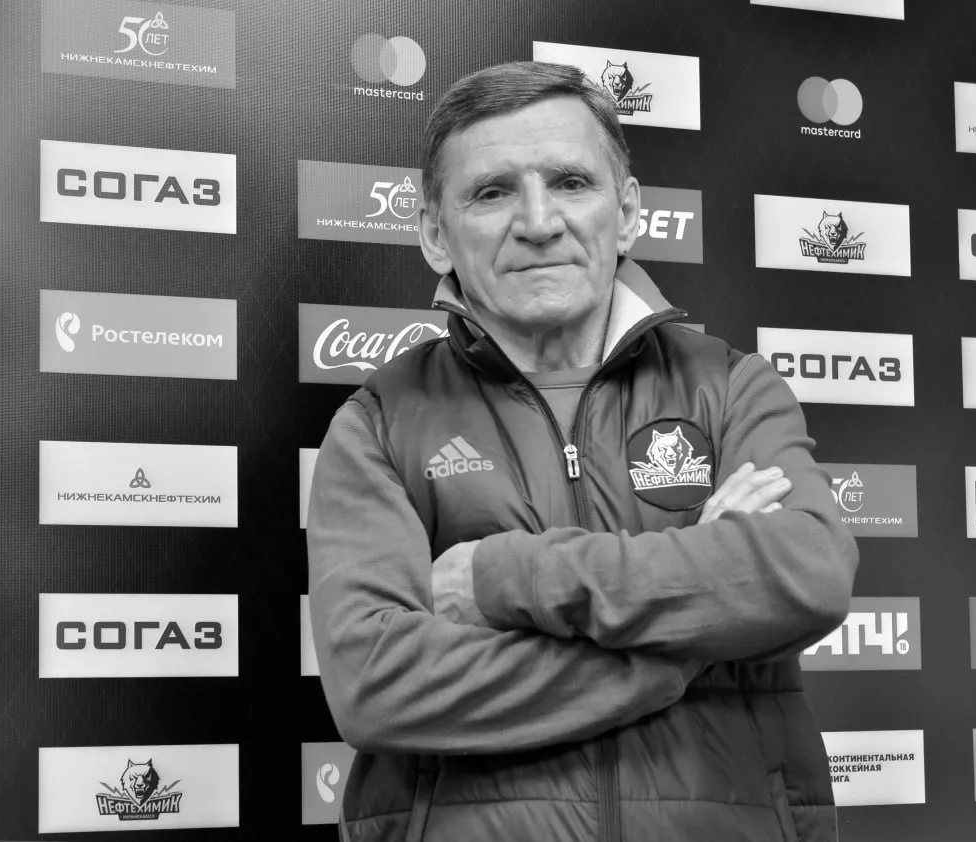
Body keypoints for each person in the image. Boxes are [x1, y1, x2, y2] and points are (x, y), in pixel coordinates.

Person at [307, 60, 859, 842]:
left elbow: (807, 572)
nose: (538, 221)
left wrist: (503, 577)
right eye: (492, 192)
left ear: (627, 213)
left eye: (571, 182)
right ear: (434, 232)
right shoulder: (380, 424)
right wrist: (688, 642)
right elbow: (379, 686)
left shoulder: (732, 385)